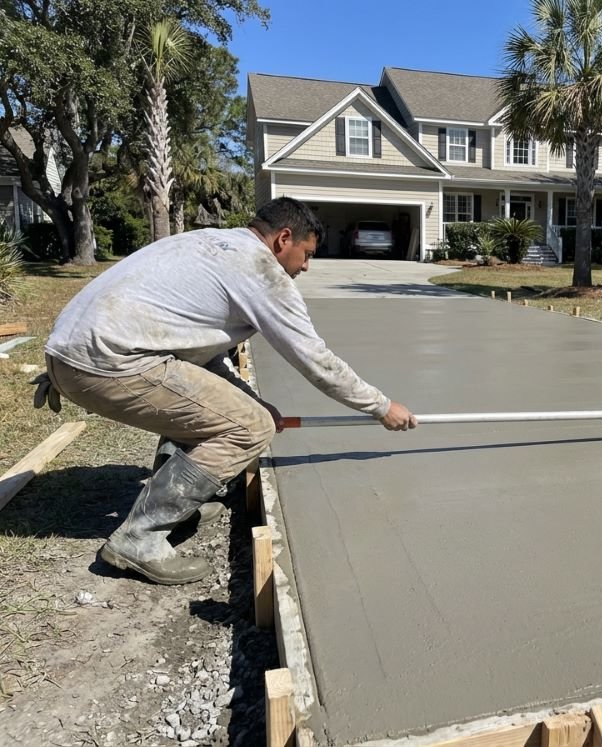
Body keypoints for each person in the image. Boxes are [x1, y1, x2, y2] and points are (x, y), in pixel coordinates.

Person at [35, 197, 417, 585]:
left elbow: (197, 354)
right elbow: (316, 361)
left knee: (225, 408)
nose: (306, 266)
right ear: (284, 239)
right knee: (251, 428)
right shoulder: (261, 272)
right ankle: (140, 538)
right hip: (109, 363)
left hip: (72, 354)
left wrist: (250, 398)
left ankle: (176, 508)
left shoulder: (210, 243)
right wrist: (381, 406)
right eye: (307, 255)